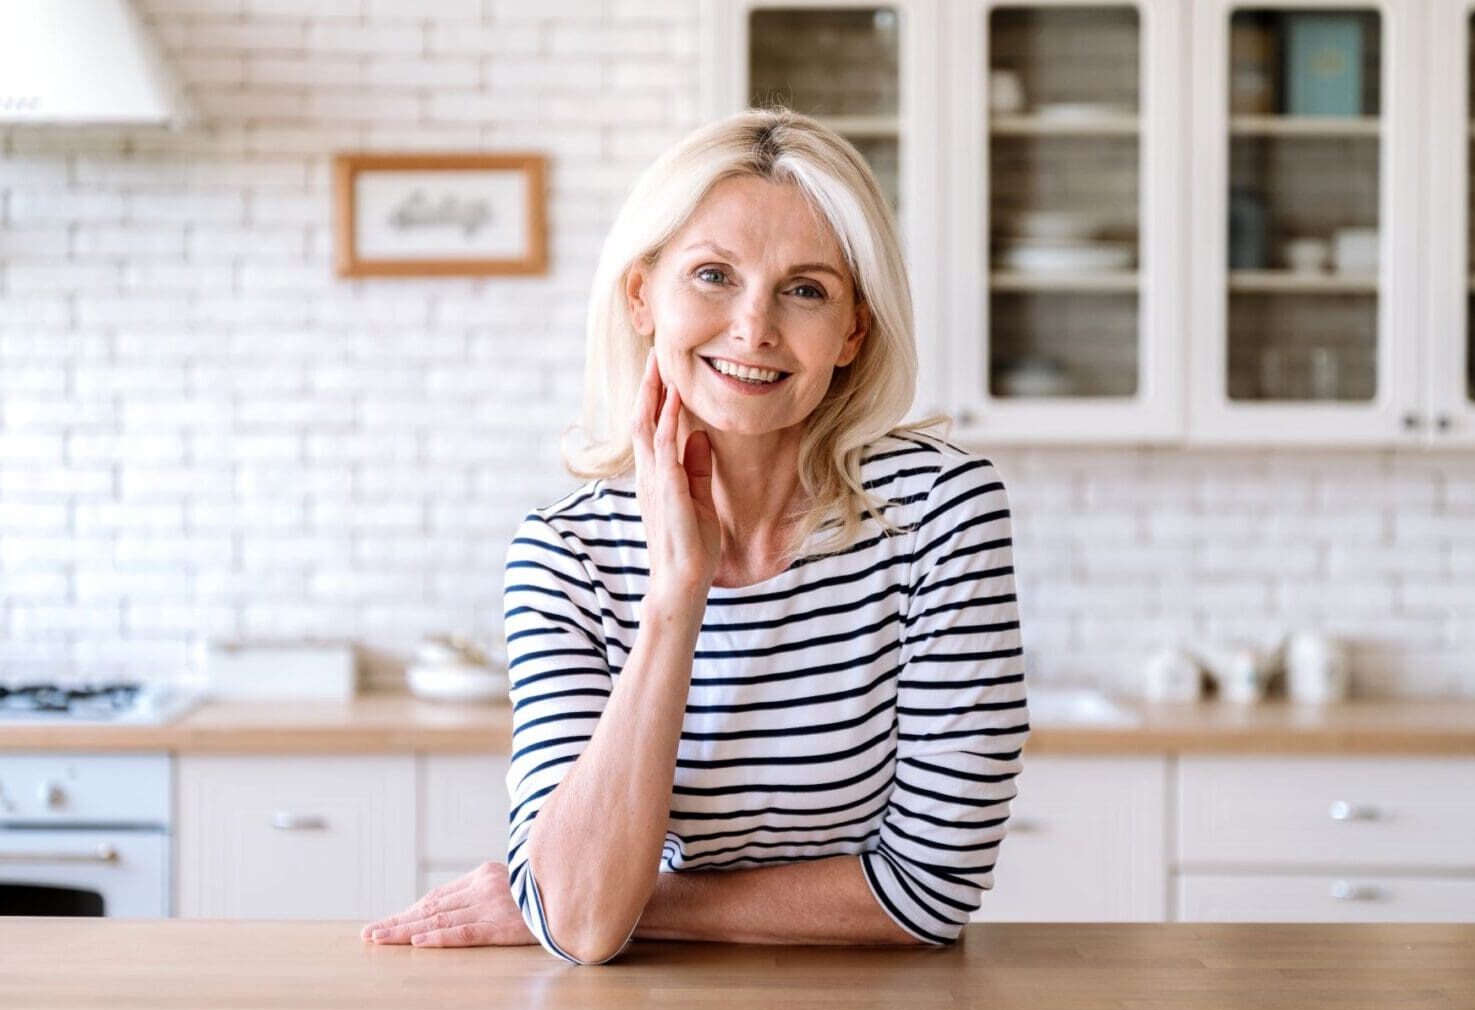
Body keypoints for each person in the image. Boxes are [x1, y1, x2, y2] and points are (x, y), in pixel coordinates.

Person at [361, 106, 1031, 965]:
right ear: (642, 296)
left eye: (806, 289)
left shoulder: (940, 516)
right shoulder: (563, 557)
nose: (754, 328)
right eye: (714, 275)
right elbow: (581, 925)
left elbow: (929, 895)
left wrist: (598, 899)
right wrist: (675, 596)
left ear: (853, 333)